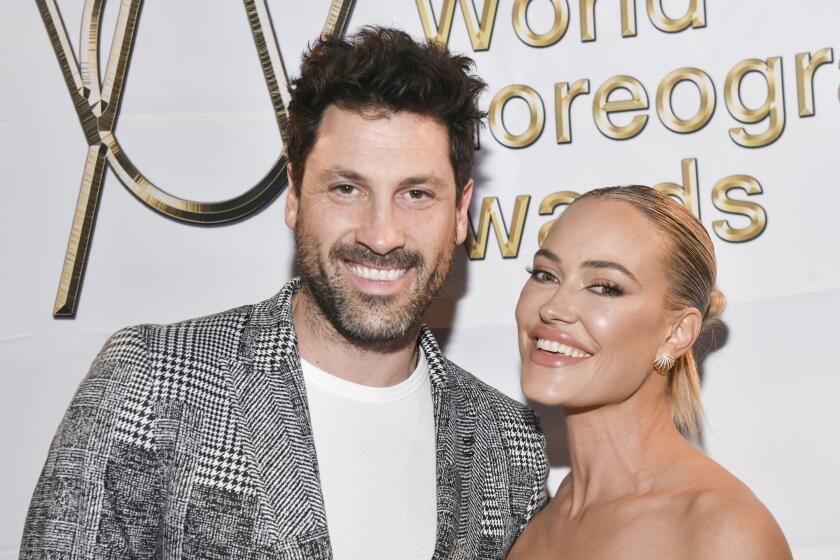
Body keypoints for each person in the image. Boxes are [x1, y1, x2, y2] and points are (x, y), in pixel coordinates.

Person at [20, 28, 547, 559]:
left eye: (415, 194)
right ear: (295, 195)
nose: (381, 235)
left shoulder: (507, 443)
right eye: (347, 189)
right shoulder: (152, 383)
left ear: (460, 212)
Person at [508, 186, 791, 560]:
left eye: (605, 287)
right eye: (545, 274)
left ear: (676, 334)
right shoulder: (529, 528)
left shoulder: (721, 531)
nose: (555, 308)